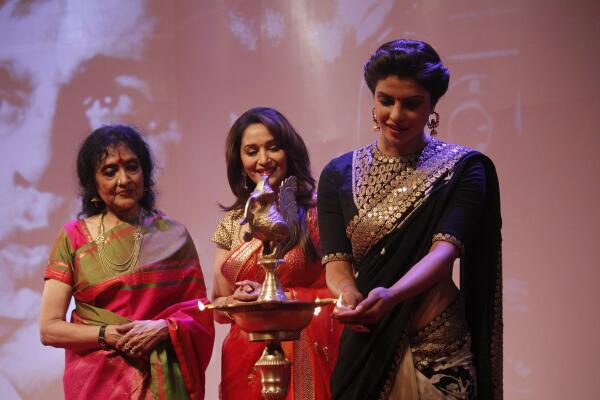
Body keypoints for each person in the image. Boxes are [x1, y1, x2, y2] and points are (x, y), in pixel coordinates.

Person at [318, 39, 502, 399]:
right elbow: (337, 263)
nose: (396, 115)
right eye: (386, 100)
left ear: (433, 106)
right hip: (367, 345)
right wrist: (350, 295)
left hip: (436, 346)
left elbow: (442, 253)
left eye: (412, 104)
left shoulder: (462, 169)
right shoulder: (337, 173)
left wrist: (392, 295)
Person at [39, 125, 215, 399]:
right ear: (93, 184)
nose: (124, 179)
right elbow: (49, 329)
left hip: (163, 384)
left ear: (145, 174)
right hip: (99, 384)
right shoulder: (73, 238)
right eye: (109, 171)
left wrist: (163, 328)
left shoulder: (174, 236)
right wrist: (107, 334)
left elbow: (199, 311)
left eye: (132, 167)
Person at [211, 107, 342, 399]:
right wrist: (234, 301)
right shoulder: (232, 222)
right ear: (239, 159)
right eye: (251, 151)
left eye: (273, 147)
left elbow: (340, 292)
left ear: (289, 151)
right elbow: (218, 308)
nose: (263, 160)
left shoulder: (316, 214)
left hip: (303, 349)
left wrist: (282, 298)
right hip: (244, 356)